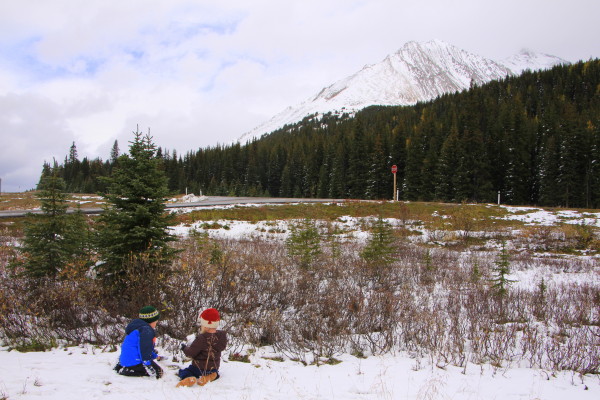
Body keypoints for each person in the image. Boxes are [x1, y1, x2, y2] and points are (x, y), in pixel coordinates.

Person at [176, 308, 228, 387]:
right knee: (215, 373)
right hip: (213, 368)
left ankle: (189, 378)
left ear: (206, 325)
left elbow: (191, 353)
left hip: (198, 368)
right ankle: (212, 376)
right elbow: (222, 347)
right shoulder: (221, 336)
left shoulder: (202, 338)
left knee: (185, 371)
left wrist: (184, 348)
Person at [113, 305, 163, 379]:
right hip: (134, 364)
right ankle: (129, 370)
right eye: (156, 321)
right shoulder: (147, 331)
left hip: (125, 360)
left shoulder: (136, 327)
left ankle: (122, 367)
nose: (156, 323)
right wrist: (149, 366)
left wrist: (155, 356)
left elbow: (139, 347)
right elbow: (145, 350)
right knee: (159, 372)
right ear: (151, 321)